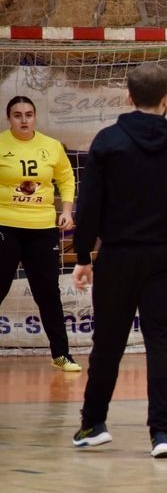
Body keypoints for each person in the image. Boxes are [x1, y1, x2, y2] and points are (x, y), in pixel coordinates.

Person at [70, 63, 167, 458]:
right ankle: (161, 434)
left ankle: (93, 423)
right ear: (166, 98)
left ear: (128, 96)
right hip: (163, 257)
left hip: (117, 257)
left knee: (107, 343)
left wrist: (82, 257)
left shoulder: (108, 142)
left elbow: (89, 204)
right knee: (163, 343)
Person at [0, 96, 80, 372]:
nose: (23, 119)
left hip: (43, 229)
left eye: (29, 114)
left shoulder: (51, 146)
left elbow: (67, 179)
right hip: (5, 226)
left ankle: (61, 355)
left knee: (48, 293)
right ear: (9, 118)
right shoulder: (0, 144)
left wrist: (67, 210)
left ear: (35, 117)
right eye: (17, 115)